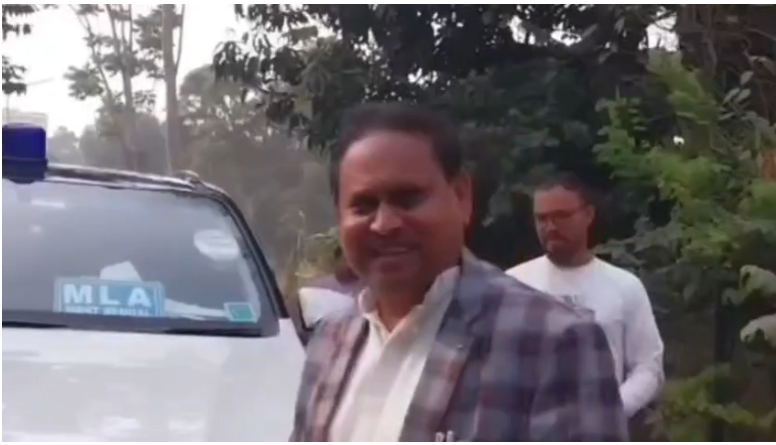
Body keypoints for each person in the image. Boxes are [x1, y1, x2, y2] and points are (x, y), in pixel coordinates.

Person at [290, 103, 628, 441]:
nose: (385, 224)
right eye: (364, 206)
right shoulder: (329, 342)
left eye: (407, 199)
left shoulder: (553, 344)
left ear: (462, 196)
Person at [506, 173, 665, 420]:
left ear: (588, 215)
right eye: (542, 218)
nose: (550, 227)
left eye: (561, 216)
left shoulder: (624, 286)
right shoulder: (512, 284)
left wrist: (612, 410)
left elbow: (648, 367)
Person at [298, 247, 361, 327]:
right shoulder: (318, 287)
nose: (350, 266)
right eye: (346, 260)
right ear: (337, 261)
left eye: (354, 262)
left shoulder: (365, 289)